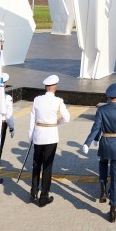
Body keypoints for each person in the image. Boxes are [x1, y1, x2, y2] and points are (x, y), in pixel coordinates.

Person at [84, 83, 116, 223]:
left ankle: (103, 187)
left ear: (108, 96)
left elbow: (96, 128)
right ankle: (112, 208)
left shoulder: (101, 110)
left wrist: (87, 142)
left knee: (103, 165)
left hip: (105, 143)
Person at [29, 74, 71, 207]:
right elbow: (67, 118)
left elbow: (32, 120)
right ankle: (44, 196)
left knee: (36, 164)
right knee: (47, 167)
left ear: (46, 87)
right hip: (51, 136)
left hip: (38, 135)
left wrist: (30, 137)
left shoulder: (37, 99)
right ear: (55, 88)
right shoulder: (58, 101)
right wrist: (56, 123)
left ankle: (33, 191)